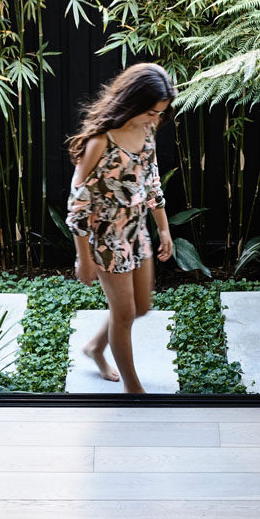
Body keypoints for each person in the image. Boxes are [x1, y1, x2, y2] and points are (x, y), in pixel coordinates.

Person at [66, 63, 176, 394]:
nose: (155, 121)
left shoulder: (146, 132)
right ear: (131, 102)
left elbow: (151, 180)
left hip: (137, 231)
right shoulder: (100, 142)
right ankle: (133, 389)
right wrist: (83, 259)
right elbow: (78, 206)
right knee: (125, 314)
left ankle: (95, 347)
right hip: (107, 240)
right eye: (151, 113)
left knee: (141, 307)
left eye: (160, 114)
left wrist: (164, 229)